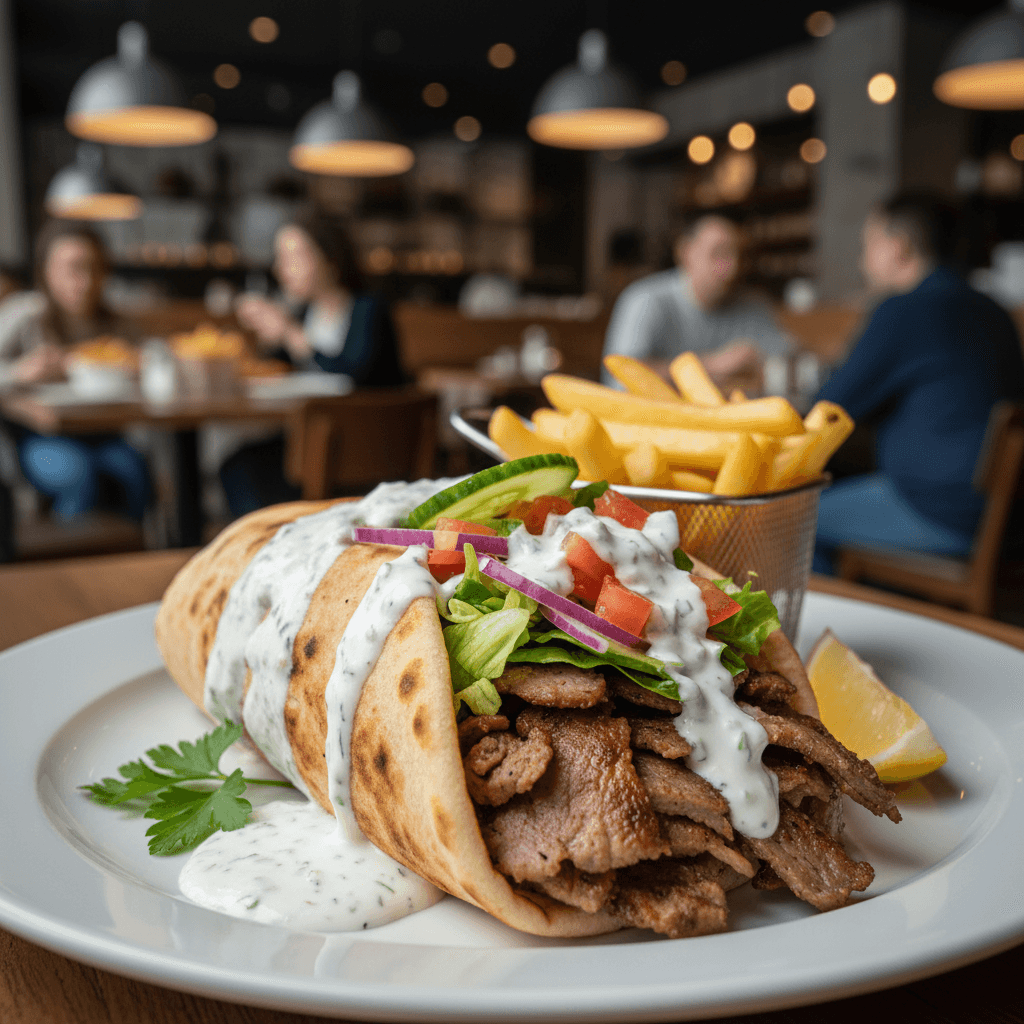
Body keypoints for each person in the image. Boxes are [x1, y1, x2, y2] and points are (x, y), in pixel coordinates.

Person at [813, 191, 1024, 574]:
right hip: (1002, 513)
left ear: (898, 247)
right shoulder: (994, 310)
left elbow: (827, 410)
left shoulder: (904, 310)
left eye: (868, 244)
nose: (862, 259)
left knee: (790, 520)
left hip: (940, 511)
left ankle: (847, 612)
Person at [221, 210, 405, 516]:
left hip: (365, 454)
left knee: (242, 468)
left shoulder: (367, 309)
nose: (281, 269)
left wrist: (290, 333)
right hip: (315, 444)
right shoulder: (307, 314)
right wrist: (270, 339)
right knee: (239, 463)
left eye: (294, 257)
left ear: (330, 259)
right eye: (280, 259)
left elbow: (354, 375)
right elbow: (282, 369)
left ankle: (270, 537)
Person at [0, 220, 149, 521]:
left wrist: (137, 369)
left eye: (94, 268)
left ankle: (134, 548)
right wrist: (20, 372)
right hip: (41, 438)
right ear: (46, 271)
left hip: (105, 434)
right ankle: (70, 548)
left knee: (136, 473)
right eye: (73, 268)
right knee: (79, 474)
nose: (85, 281)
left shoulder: (116, 325)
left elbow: (149, 370)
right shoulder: (24, 314)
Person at [602, 213, 788, 389]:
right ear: (686, 252)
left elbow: (790, 362)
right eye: (719, 253)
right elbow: (621, 377)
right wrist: (713, 366)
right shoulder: (645, 300)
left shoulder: (754, 305)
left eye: (740, 255)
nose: (732, 267)